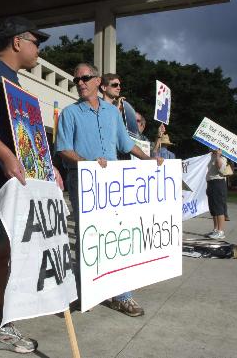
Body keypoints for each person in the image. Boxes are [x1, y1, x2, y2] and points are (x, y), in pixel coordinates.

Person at [0, 16, 63, 358]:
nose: (39, 51)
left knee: (5, 256)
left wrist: (48, 171)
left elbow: (29, 140)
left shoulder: (17, 85)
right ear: (17, 41)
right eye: (36, 42)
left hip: (14, 185)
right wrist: (4, 155)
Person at [55, 63, 163, 317]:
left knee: (117, 238)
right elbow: (63, 149)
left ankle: (122, 296)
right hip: (83, 182)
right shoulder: (70, 114)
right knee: (88, 239)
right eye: (76, 79)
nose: (80, 82)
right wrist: (86, 164)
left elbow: (126, 145)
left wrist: (148, 159)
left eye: (85, 78)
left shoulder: (113, 113)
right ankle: (87, 293)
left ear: (97, 81)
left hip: (112, 185)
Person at [205, 149, 228, 239]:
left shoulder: (222, 158)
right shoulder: (211, 156)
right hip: (211, 183)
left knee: (219, 208)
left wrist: (218, 156)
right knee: (213, 209)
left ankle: (220, 231)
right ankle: (215, 229)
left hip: (218, 183)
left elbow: (220, 169)